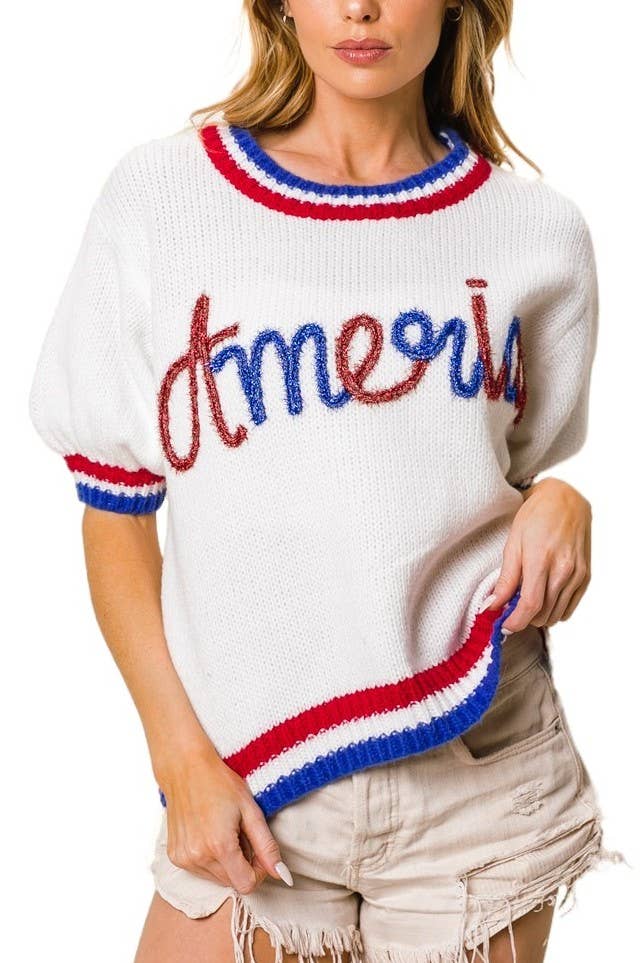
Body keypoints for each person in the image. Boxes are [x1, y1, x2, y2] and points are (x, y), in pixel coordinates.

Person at [27, 1, 627, 960]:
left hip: (475, 767)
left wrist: (562, 501)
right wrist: (181, 759)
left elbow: (491, 476)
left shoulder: (536, 231)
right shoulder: (164, 199)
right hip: (251, 773)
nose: (360, 8)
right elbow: (115, 505)